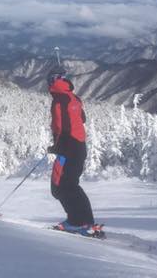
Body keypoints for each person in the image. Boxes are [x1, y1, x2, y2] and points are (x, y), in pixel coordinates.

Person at [48, 69, 98, 234]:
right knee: (71, 186)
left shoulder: (59, 100)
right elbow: (82, 119)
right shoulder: (73, 98)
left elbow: (63, 126)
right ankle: (85, 221)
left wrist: (58, 145)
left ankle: (77, 222)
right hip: (79, 146)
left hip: (68, 148)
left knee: (59, 187)